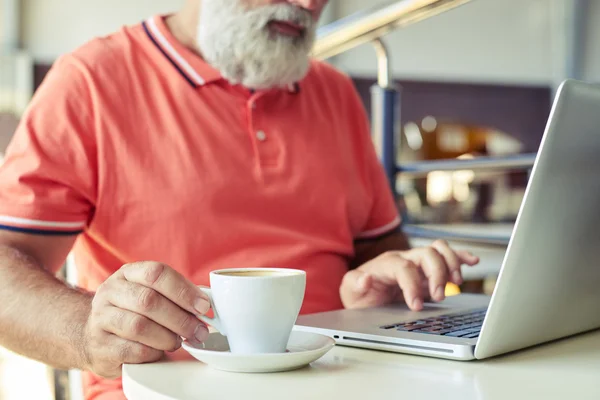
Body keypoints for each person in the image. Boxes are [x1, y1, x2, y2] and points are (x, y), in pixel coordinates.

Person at [0, 0, 479, 399]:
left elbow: (379, 252)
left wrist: (385, 281)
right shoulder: (90, 81)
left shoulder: (335, 93)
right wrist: (87, 331)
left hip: (342, 384)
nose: (311, 4)